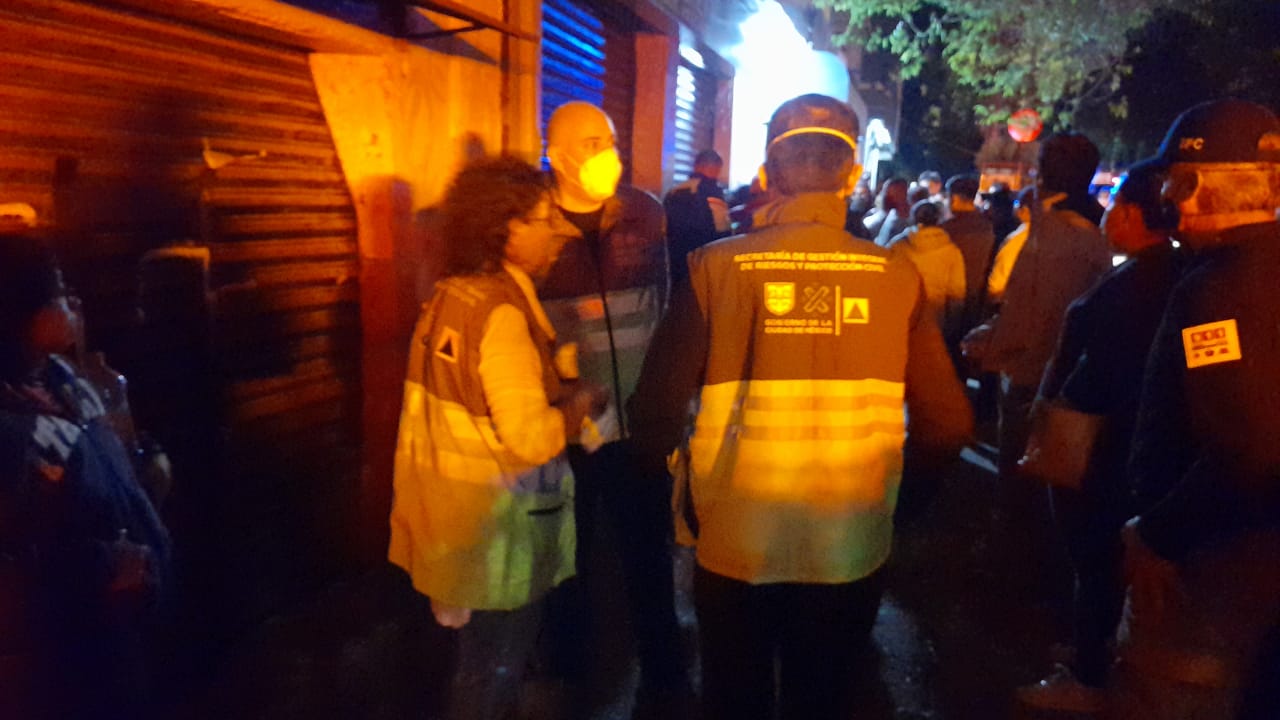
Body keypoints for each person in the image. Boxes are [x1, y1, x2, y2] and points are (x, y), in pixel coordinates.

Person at [627, 93, 973, 720]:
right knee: (824, 699)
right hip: (849, 542)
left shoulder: (713, 268)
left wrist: (680, 499)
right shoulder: (898, 276)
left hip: (736, 543)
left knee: (735, 701)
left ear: (769, 171)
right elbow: (949, 426)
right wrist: (891, 507)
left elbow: (653, 419)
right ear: (852, 174)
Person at [386, 156, 606, 720]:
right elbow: (530, 439)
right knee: (492, 673)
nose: (557, 233)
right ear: (503, 227)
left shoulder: (450, 296)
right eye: (542, 219)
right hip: (498, 533)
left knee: (474, 665)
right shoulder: (501, 316)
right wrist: (581, 403)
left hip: (452, 519)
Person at [1110, 99, 1280, 719]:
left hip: (1216, 560)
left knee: (1172, 691)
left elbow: (1249, 447)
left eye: (1183, 184)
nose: (1169, 203)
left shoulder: (1218, 293)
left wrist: (1155, 532)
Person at [1014, 161, 1181, 714]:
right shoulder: (1173, 273)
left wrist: (1057, 405)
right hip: (1137, 442)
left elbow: (1102, 370)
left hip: (1105, 444)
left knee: (1095, 556)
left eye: (1116, 207)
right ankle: (1096, 648)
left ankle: (1088, 676)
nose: (1107, 216)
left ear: (1132, 214)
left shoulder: (1137, 284)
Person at [537, 101, 687, 717]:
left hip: (634, 423)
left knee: (648, 554)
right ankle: (568, 671)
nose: (607, 152)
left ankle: (664, 673)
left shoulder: (644, 213)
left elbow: (668, 308)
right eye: (590, 142)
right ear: (556, 153)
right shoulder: (531, 223)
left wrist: (668, 405)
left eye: (610, 140)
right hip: (566, 428)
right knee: (565, 558)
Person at [0, 230, 172, 720]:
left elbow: (102, 461)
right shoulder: (9, 431)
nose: (73, 302)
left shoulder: (63, 380)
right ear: (18, 310)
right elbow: (19, 560)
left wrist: (146, 467)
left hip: (121, 635)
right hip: (63, 663)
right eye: (58, 290)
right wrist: (105, 566)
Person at [886, 200, 967, 348]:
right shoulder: (951, 251)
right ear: (938, 220)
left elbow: (886, 279)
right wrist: (953, 328)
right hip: (936, 317)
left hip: (904, 313)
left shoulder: (897, 246)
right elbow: (956, 292)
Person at [940, 174, 997, 336]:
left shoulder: (945, 231)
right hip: (977, 297)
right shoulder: (988, 227)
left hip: (947, 300)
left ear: (954, 198)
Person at [664, 149, 731, 284]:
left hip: (676, 261)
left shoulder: (673, 192)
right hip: (704, 261)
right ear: (715, 167)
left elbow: (664, 228)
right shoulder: (712, 191)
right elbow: (723, 229)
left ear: (695, 166)